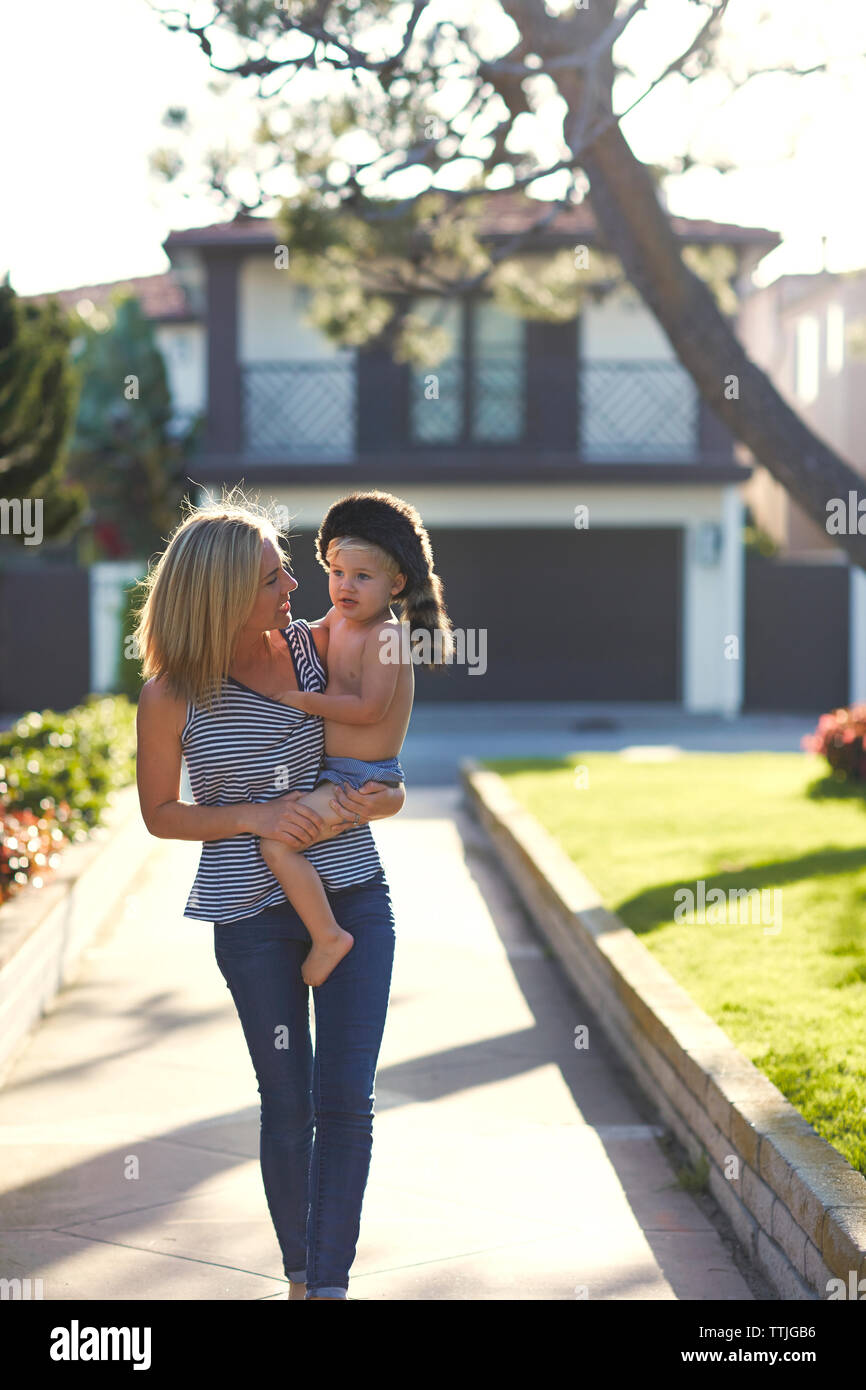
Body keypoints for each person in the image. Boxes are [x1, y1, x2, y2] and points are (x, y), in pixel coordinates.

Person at [134, 487, 406, 1301]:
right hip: (251, 919)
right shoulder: (170, 694)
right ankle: (299, 1272)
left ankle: (326, 1286)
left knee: (346, 1102)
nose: (295, 590)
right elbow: (159, 813)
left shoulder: (319, 648)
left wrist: (383, 798)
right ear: (219, 591)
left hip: (354, 898)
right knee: (287, 1105)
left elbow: (381, 757)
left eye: (288, 574)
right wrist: (258, 814)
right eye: (271, 579)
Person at [259, 491, 453, 989]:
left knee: (277, 845)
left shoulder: (386, 637)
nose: (345, 587)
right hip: (334, 773)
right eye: (337, 572)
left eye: (362, 578)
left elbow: (369, 710)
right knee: (287, 835)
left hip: (362, 776)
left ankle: (328, 936)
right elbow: (305, 637)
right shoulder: (339, 620)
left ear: (396, 584)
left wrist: (307, 702)